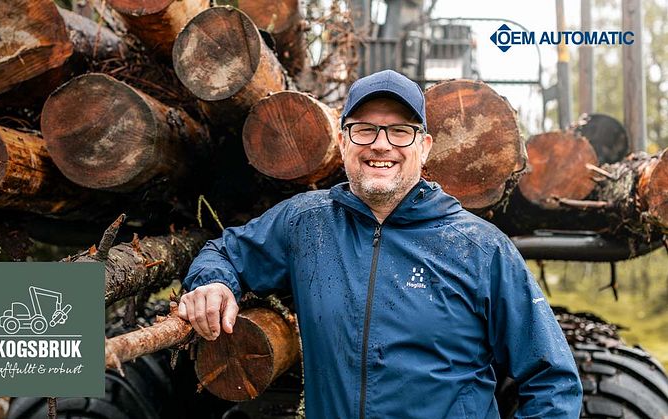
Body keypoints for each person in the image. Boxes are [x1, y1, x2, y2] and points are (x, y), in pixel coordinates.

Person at [180, 70, 582, 418]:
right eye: (365, 129)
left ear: (423, 148)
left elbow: (552, 379)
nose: (381, 145)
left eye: (400, 131)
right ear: (343, 142)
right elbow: (225, 253)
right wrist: (212, 282)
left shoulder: (478, 248)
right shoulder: (306, 224)